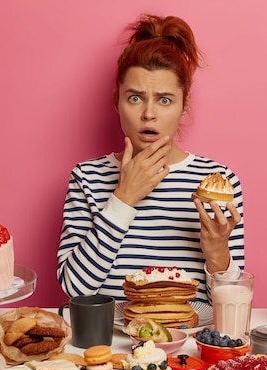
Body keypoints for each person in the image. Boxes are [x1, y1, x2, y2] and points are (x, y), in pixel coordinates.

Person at [57, 14, 245, 304]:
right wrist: (123, 198)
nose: (148, 113)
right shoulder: (87, 177)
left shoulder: (217, 182)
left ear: (184, 107)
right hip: (113, 345)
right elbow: (75, 289)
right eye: (134, 98)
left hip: (189, 343)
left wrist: (218, 253)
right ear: (116, 102)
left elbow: (232, 305)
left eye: (165, 100)